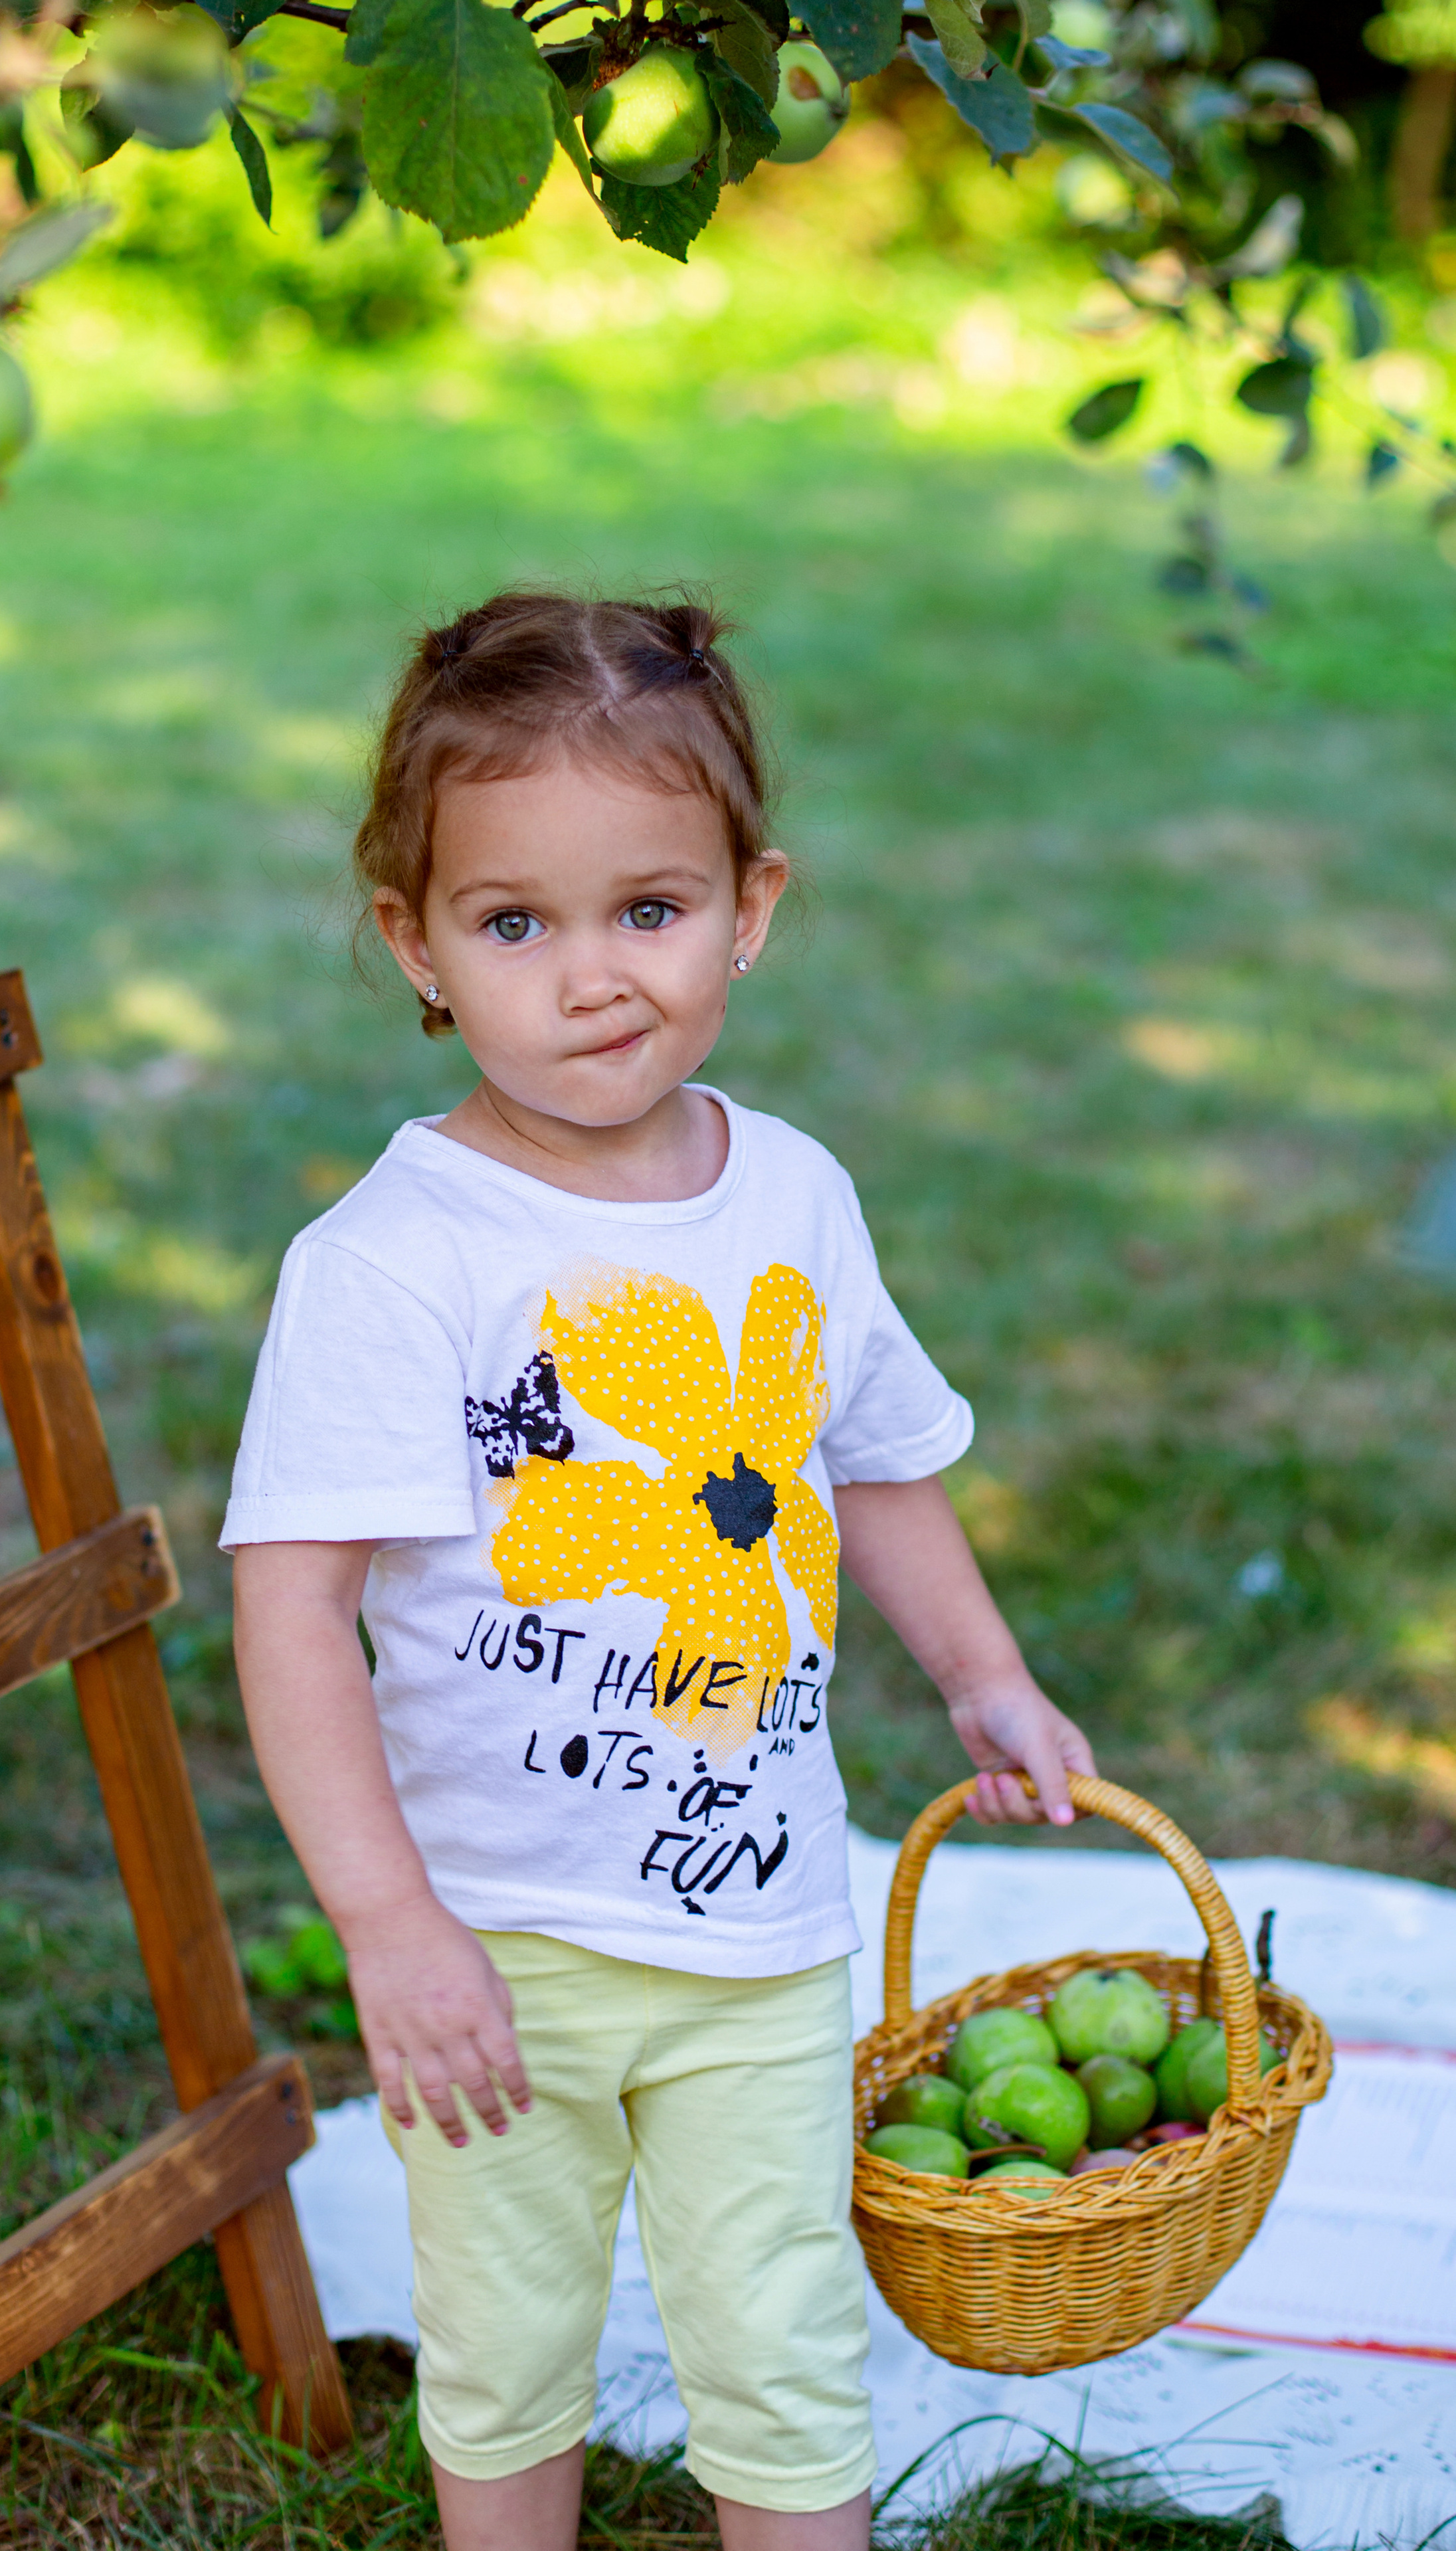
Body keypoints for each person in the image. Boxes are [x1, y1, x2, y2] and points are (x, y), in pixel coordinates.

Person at [225, 591, 1097, 2551]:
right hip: (500, 1944)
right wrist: (388, 1928)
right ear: (417, 946)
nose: (593, 979)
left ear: (750, 905)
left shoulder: (789, 1193)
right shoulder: (393, 1261)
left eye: (651, 909)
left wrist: (981, 1674)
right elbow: (290, 1610)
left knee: (782, 2349)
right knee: (509, 2349)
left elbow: (867, 1461)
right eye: (513, 921)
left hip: (761, 1927)